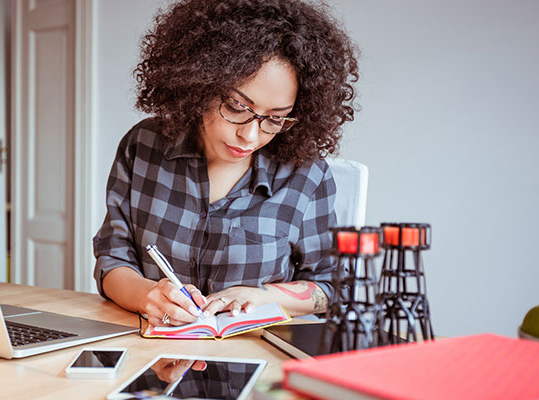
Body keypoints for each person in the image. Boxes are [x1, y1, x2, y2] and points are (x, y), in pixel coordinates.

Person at [93, 0, 359, 327]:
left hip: (257, 364)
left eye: (275, 119)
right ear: (201, 83)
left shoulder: (306, 175)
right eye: (236, 106)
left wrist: (264, 296)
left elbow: (332, 286)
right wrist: (149, 295)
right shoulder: (144, 146)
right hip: (152, 355)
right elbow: (113, 258)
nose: (250, 135)